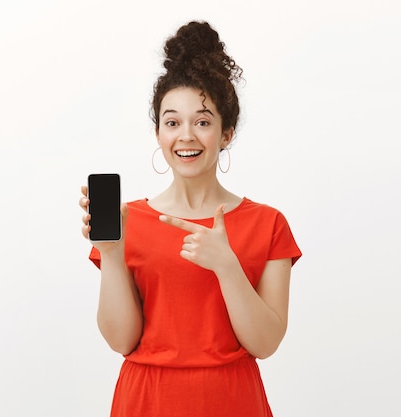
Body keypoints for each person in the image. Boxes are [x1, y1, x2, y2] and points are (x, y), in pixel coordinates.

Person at [78, 20, 301, 417]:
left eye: (202, 121)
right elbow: (121, 341)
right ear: (158, 132)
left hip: (234, 401)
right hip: (146, 401)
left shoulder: (268, 224)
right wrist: (111, 253)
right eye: (172, 122)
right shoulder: (129, 220)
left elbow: (265, 344)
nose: (186, 136)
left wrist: (226, 265)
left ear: (226, 133)